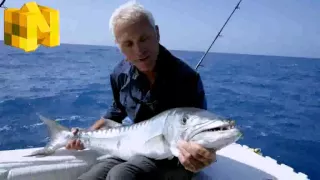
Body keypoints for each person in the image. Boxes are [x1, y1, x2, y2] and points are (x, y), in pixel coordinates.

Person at [66, 1, 216, 180]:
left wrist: (205, 155)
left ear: (157, 33)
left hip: (171, 156)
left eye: (144, 39)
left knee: (121, 175)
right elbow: (115, 112)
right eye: (128, 44)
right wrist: (84, 135)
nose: (139, 50)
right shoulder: (119, 75)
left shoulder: (188, 79)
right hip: (134, 145)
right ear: (118, 45)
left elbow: (202, 129)